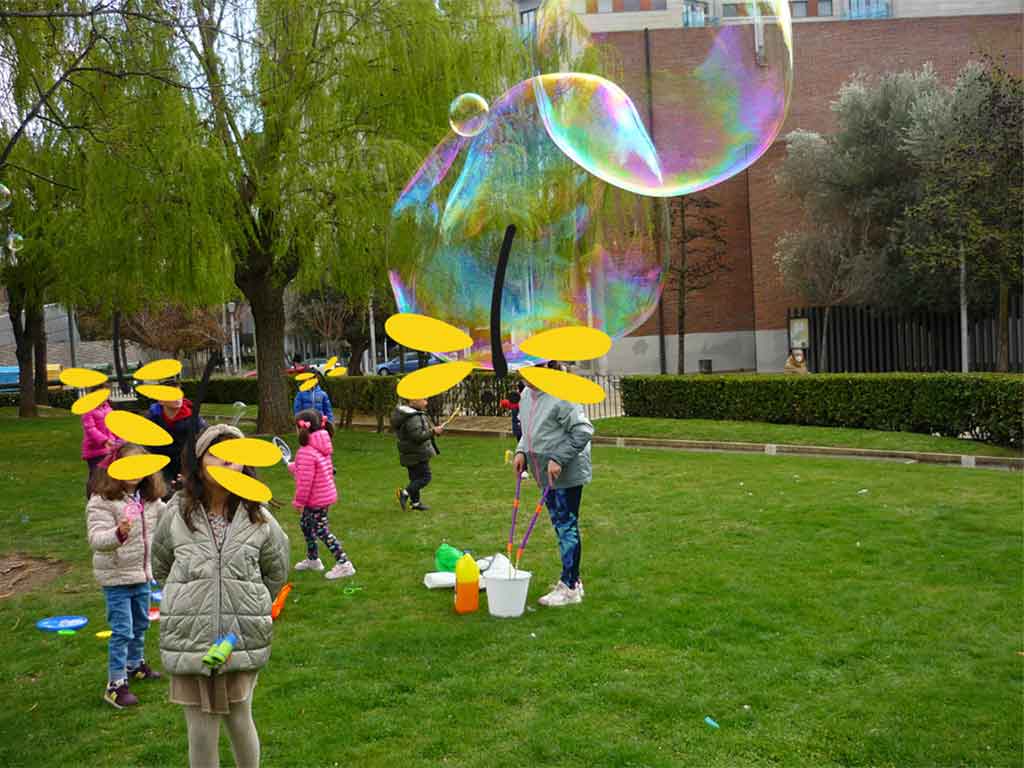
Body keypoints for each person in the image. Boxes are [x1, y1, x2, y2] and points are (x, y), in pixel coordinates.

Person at [151, 424, 290, 768]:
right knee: (200, 730)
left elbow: (276, 571)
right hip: (188, 635)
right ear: (199, 463)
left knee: (240, 719)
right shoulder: (176, 513)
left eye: (236, 457)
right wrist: (188, 598)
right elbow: (161, 565)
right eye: (217, 454)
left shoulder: (261, 518)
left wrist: (246, 601)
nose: (228, 462)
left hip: (239, 636)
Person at [87, 443, 167, 709]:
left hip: (143, 574)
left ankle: (135, 665)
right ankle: (116, 685)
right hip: (117, 578)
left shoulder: (151, 501)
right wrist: (118, 533)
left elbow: (171, 519)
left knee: (141, 623)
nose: (135, 472)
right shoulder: (102, 501)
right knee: (122, 630)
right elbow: (97, 539)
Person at [513, 362, 594, 607]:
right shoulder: (527, 394)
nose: (524, 376)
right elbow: (528, 431)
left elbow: (583, 430)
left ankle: (569, 586)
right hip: (543, 472)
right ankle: (573, 581)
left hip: (565, 473)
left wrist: (558, 457)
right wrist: (521, 452)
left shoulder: (561, 394)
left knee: (566, 526)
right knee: (561, 524)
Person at [288, 409, 354, 579]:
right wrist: (295, 467)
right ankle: (313, 559)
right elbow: (318, 469)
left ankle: (344, 564)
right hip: (323, 496)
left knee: (322, 531)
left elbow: (305, 482)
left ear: (301, 428)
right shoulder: (320, 446)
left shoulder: (305, 451)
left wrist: (298, 502)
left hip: (315, 499)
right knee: (305, 525)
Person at [146, 394, 207, 493]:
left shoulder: (194, 419)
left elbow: (204, 441)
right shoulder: (152, 418)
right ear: (161, 401)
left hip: (185, 464)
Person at [392, 397, 444, 511]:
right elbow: (417, 437)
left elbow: (422, 431)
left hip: (411, 452)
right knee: (425, 477)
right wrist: (433, 432)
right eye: (423, 400)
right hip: (416, 453)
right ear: (413, 401)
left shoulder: (411, 414)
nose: (426, 402)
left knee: (415, 478)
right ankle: (404, 493)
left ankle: (415, 503)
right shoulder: (412, 417)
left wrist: (434, 431)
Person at [80, 385, 118, 498]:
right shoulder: (88, 410)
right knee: (96, 475)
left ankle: (106, 495)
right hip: (95, 450)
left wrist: (119, 439)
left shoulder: (108, 408)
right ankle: (92, 496)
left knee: (108, 475)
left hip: (109, 448)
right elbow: (90, 429)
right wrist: (104, 440)